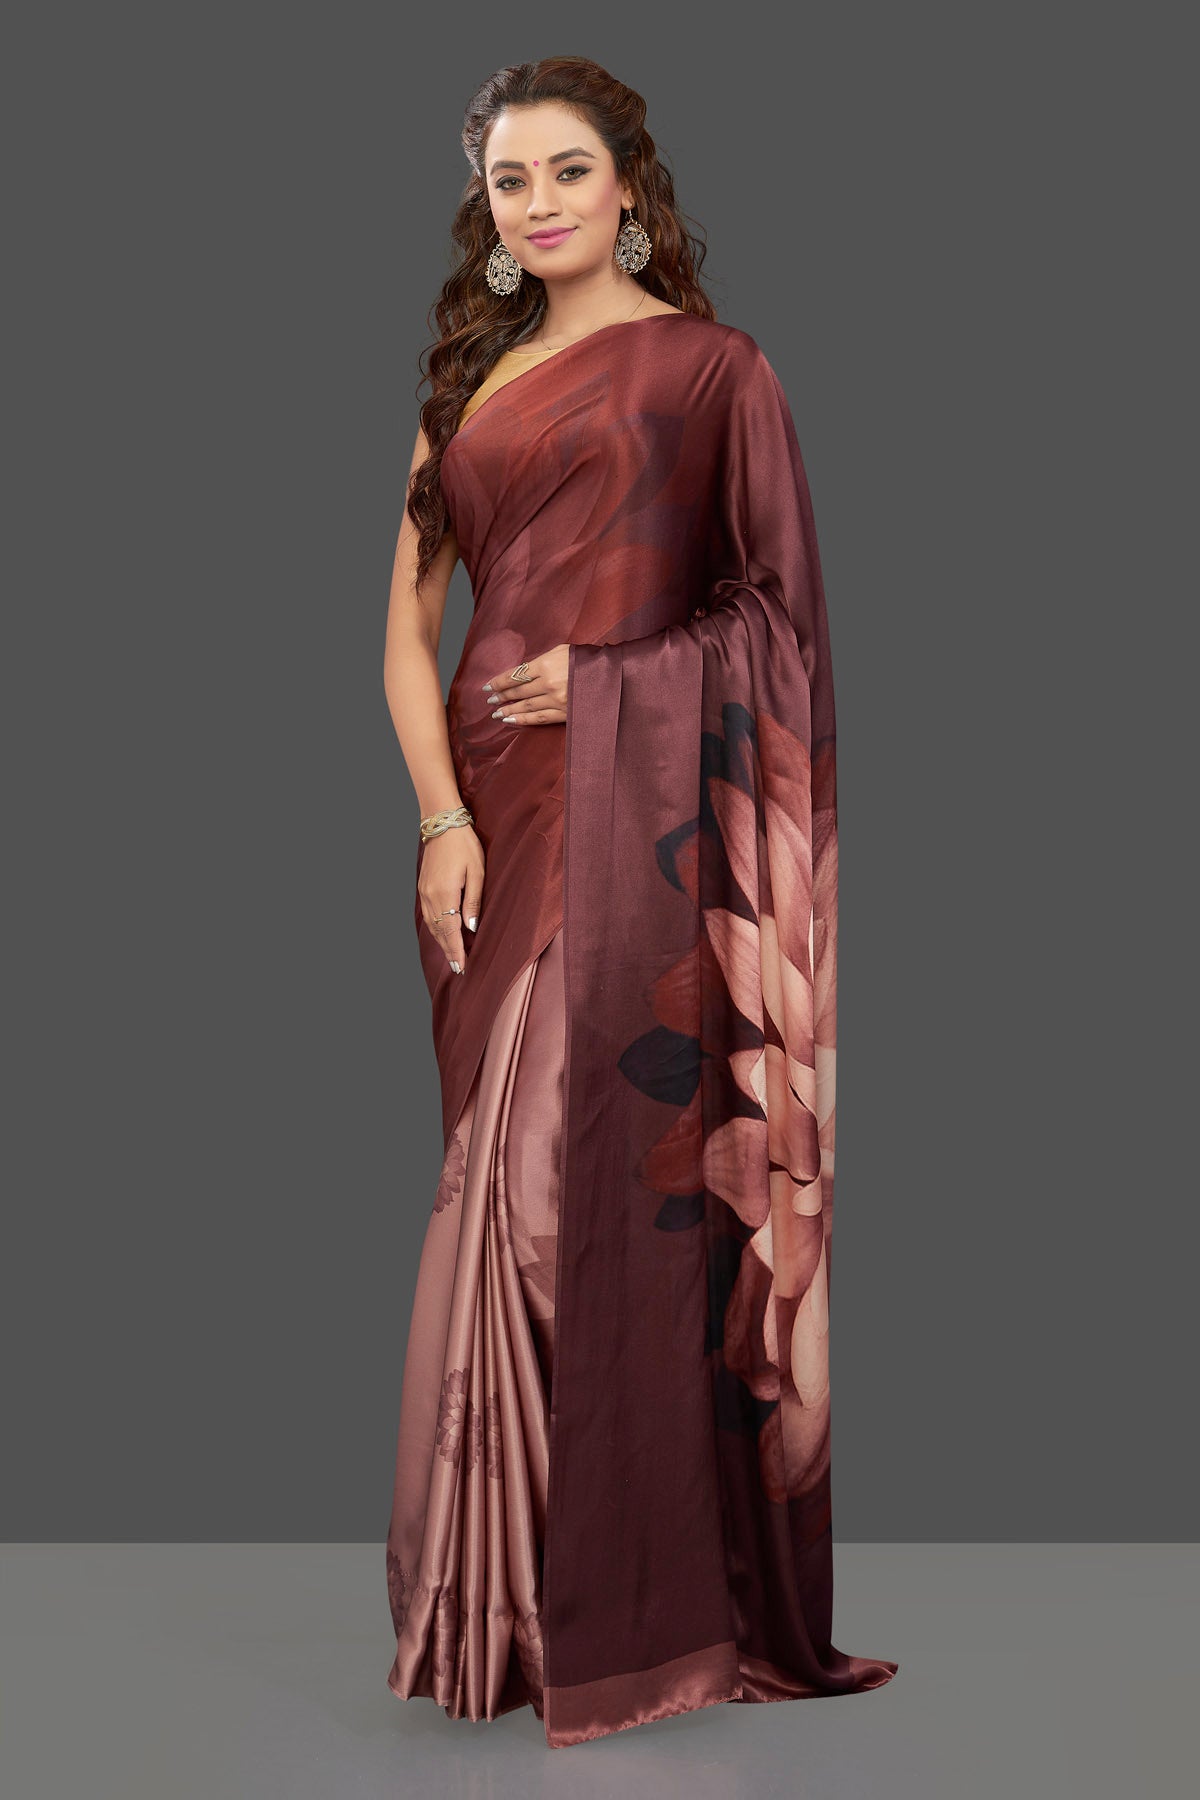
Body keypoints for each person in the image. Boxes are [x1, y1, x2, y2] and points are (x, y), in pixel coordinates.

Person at [381, 54, 899, 1750]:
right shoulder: (466, 383)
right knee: (490, 1186)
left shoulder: (714, 371)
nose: (537, 204)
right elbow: (403, 638)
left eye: (567, 172)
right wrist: (441, 820)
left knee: (575, 1185)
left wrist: (613, 681)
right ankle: (501, 1615)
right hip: (497, 820)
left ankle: (630, 1603)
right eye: (509, 181)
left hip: (646, 824)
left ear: (629, 187)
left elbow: (780, 628)